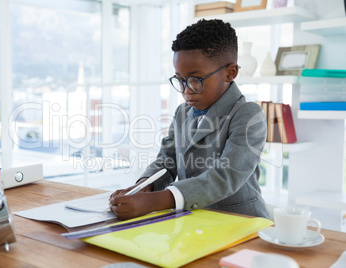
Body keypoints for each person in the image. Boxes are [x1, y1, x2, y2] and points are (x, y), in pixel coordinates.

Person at [109, 19, 269, 220]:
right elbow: (167, 160)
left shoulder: (248, 114)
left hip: (240, 221)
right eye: (180, 80)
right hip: (193, 220)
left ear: (230, 73)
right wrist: (144, 186)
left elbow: (225, 177)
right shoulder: (183, 112)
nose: (186, 91)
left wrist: (155, 201)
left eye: (196, 80)